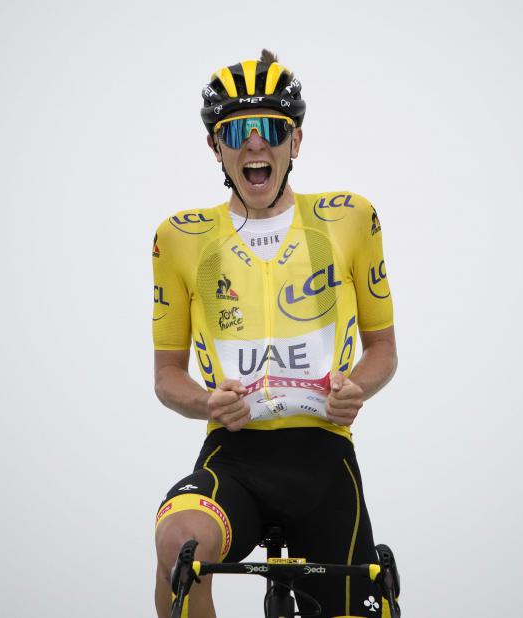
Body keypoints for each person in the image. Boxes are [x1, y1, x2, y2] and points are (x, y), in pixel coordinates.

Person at [151, 49, 398, 618]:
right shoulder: (181, 238)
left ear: (296, 140)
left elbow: (383, 348)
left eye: (271, 128)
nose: (254, 144)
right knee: (178, 546)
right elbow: (166, 376)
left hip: (324, 458)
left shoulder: (350, 218)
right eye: (238, 131)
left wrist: (357, 388)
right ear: (215, 146)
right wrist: (205, 402)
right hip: (234, 455)